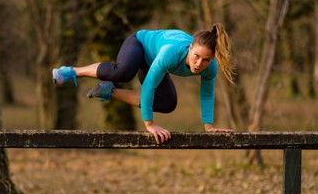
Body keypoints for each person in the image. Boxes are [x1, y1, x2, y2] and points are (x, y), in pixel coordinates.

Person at [52, 23, 236, 144]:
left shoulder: (211, 68)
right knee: (123, 73)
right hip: (139, 43)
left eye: (206, 60)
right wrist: (150, 124)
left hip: (153, 61)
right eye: (196, 56)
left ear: (212, 59)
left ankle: (109, 92)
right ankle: (72, 71)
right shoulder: (171, 54)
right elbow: (149, 86)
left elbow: (206, 94)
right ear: (190, 48)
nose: (199, 64)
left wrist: (209, 127)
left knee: (168, 103)